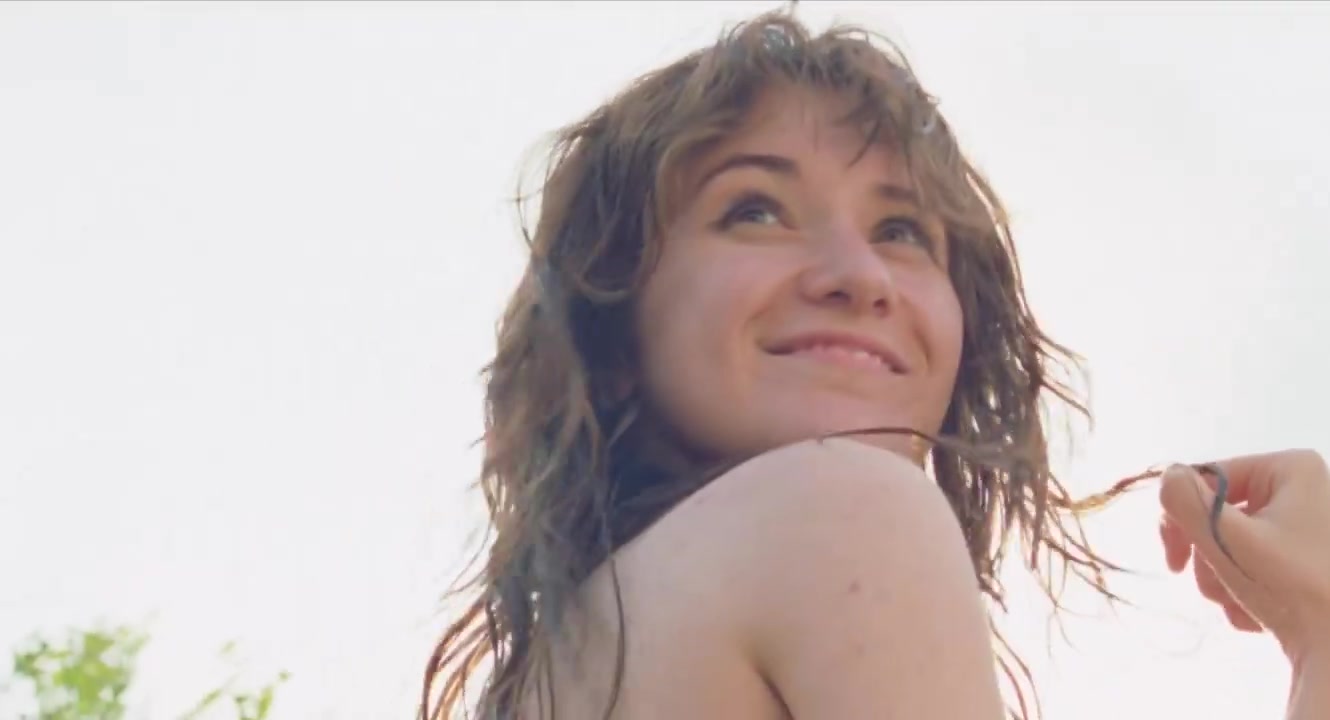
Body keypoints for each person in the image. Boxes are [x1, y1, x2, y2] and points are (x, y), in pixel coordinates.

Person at [421, 8, 1330, 719]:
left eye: (901, 230)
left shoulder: (570, 660)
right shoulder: (840, 507)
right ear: (612, 323)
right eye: (754, 210)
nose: (859, 277)